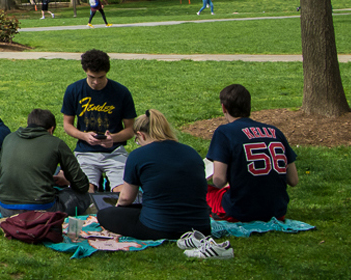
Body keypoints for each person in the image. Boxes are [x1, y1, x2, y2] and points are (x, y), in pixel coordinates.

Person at [99, 109, 219, 254]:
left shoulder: (138, 155)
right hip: (200, 226)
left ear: (141, 135)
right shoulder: (191, 152)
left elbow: (125, 198)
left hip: (160, 228)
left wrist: (118, 209)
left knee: (105, 214)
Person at [205, 83, 298, 222]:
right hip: (277, 211)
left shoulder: (224, 132)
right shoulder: (275, 132)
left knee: (196, 188)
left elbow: (219, 181)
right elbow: (293, 180)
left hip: (240, 210)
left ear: (224, 107)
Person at [62, 49, 137, 191]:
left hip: (114, 152)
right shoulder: (74, 90)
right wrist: (84, 136)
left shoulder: (121, 92)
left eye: (101, 77)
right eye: (92, 77)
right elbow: (67, 125)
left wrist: (112, 138)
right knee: (85, 192)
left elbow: (130, 129)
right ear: (85, 71)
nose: (96, 82)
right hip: (85, 152)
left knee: (122, 193)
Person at [0, 109, 91, 212]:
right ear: (51, 129)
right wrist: (67, 180)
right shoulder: (56, 143)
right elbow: (82, 185)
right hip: (41, 210)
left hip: (5, 208)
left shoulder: (9, 138)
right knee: (84, 197)